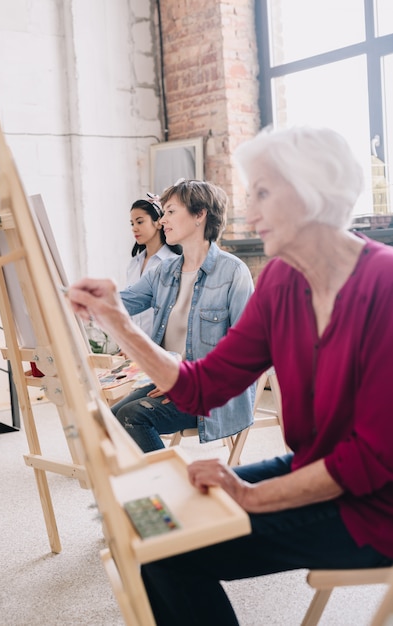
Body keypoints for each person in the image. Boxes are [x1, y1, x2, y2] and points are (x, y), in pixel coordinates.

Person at [68, 125, 393, 626]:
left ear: (314, 193)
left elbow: (369, 461)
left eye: (263, 193)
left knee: (169, 549)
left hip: (375, 506)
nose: (250, 212)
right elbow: (204, 386)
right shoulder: (281, 279)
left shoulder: (385, 287)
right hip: (317, 470)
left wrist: (248, 495)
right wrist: (117, 321)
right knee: (152, 528)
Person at [110, 179, 255, 452]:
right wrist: (75, 296)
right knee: (107, 419)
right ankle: (142, 489)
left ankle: (170, 491)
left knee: (133, 417)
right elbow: (121, 303)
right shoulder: (164, 272)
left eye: (171, 212)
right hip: (170, 381)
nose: (163, 220)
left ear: (200, 215)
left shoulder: (233, 272)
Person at [126, 195, 181, 336]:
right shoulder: (133, 264)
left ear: (158, 222)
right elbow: (129, 308)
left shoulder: (174, 263)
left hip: (164, 349)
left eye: (139, 222)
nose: (134, 228)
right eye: (132, 224)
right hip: (134, 349)